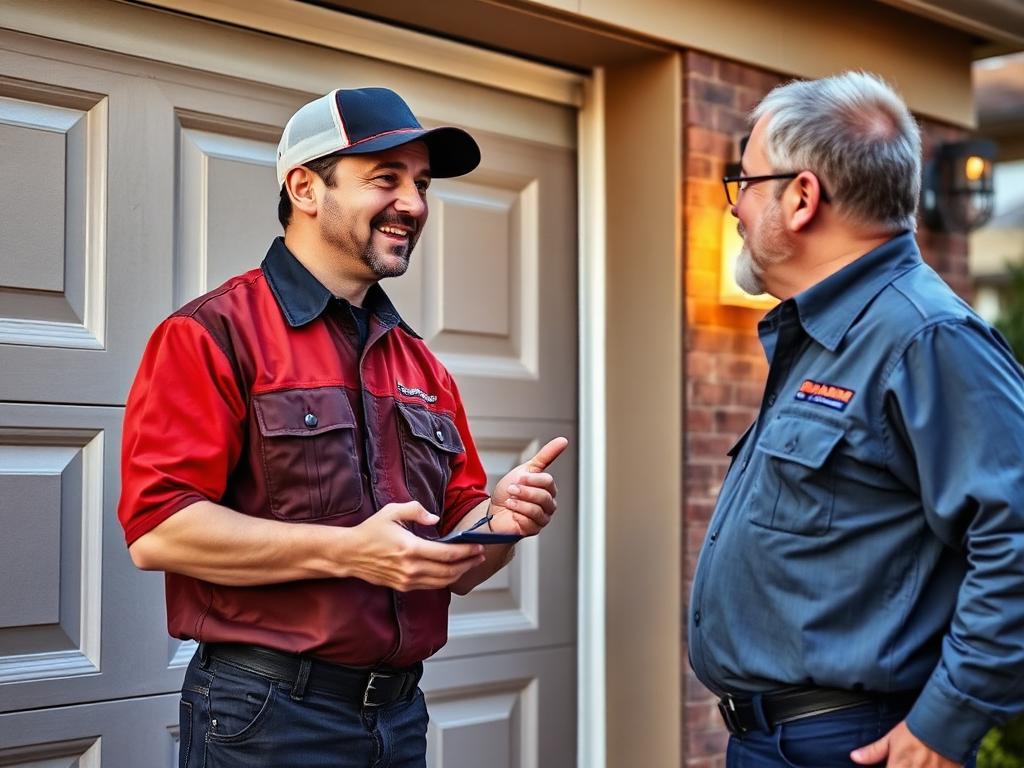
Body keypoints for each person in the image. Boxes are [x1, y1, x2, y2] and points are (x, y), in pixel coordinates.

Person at [118, 87, 567, 768]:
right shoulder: (211, 335)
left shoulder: (422, 366)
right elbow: (158, 531)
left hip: (398, 718)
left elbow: (462, 567)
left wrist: (500, 522)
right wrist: (347, 551)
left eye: (420, 183)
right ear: (304, 186)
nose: (414, 204)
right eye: (385, 178)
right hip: (266, 718)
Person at [689, 71, 1024, 768]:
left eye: (744, 182)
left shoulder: (925, 337)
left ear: (803, 196)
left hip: (853, 745)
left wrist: (944, 725)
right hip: (774, 740)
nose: (736, 208)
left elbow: (1016, 536)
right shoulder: (827, 334)